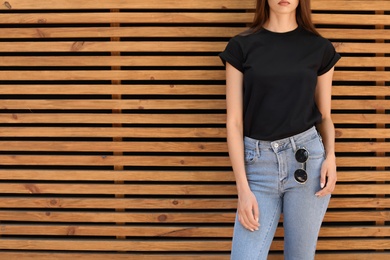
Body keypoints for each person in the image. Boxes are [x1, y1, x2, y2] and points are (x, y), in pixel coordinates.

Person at [219, 0, 340, 259]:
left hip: (308, 164)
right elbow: (234, 123)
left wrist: (331, 156)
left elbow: (325, 115)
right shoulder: (241, 47)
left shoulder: (319, 48)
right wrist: (243, 188)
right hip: (257, 166)